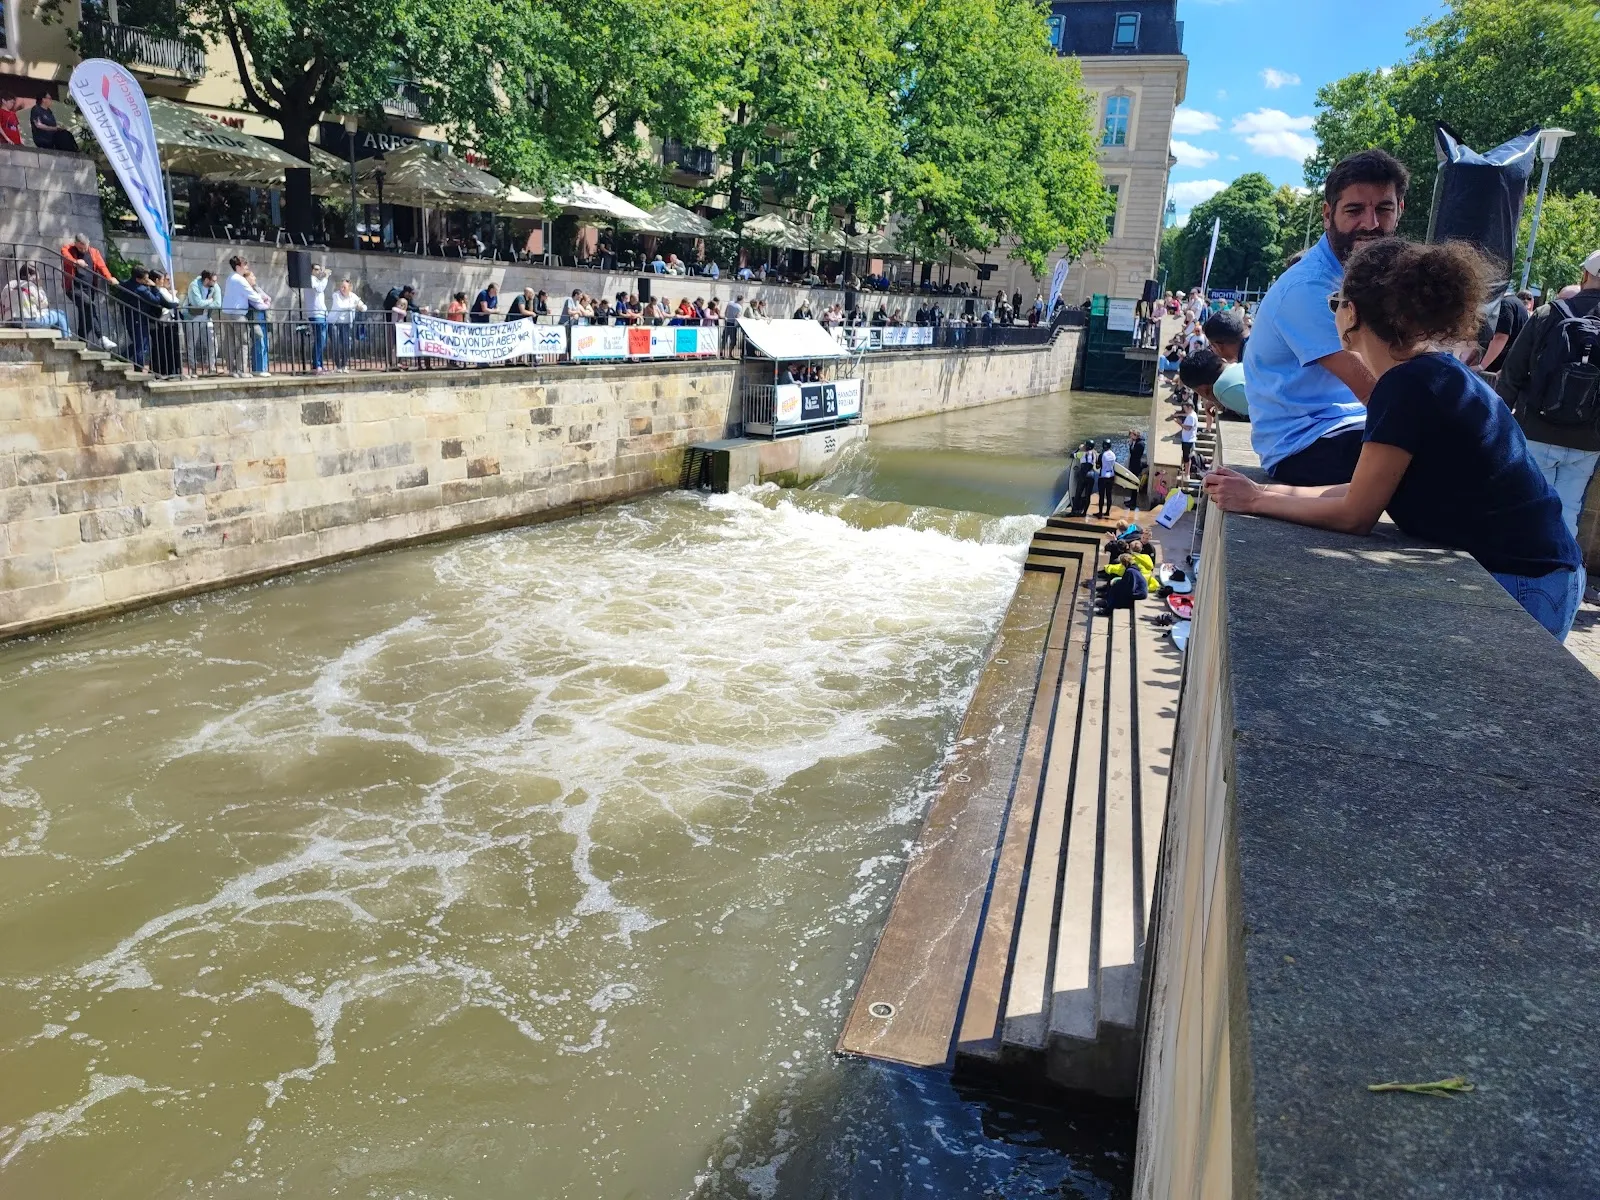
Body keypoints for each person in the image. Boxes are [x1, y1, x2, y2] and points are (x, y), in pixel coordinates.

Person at [1205, 238, 1584, 642]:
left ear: (1352, 313)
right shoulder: (1430, 373)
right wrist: (1261, 491)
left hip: (1522, 581)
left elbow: (1355, 516)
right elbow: (1362, 491)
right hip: (1545, 572)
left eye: (1335, 303)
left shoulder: (1403, 387)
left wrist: (1256, 502)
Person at [1244, 149, 1410, 485]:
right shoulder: (1310, 288)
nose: (1371, 224)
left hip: (1346, 424)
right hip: (1305, 444)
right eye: (1354, 210)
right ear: (1327, 214)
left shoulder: (1371, 276)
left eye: (1383, 209)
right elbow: (1373, 388)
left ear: (1400, 210)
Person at [1494, 248, 1600, 537]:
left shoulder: (1548, 314)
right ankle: (1559, 562)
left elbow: (1513, 372)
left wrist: (1499, 424)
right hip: (1588, 439)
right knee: (1568, 510)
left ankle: (1519, 561)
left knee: (1527, 505)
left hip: (1536, 428)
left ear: (1585, 275)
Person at [60, 234, 118, 350]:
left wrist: (109, 277)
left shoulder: (94, 252)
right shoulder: (67, 249)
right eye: (80, 248)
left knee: (85, 315)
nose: (83, 250)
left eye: (85, 248)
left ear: (88, 243)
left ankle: (82, 344)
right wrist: (76, 262)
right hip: (73, 287)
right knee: (90, 307)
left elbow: (102, 266)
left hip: (89, 288)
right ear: (75, 244)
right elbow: (66, 257)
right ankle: (101, 338)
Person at [0, 262, 72, 338]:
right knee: (60, 314)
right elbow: (44, 304)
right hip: (28, 320)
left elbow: (2, 304)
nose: (38, 278)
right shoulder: (30, 286)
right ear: (32, 276)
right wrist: (39, 287)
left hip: (10, 320)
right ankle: (66, 338)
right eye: (37, 276)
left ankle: (60, 337)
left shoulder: (9, 284)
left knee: (53, 314)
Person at [1481, 288, 1534, 373]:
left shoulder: (1505, 304)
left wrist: (1481, 366)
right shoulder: (1517, 306)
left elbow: (1501, 337)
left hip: (1497, 365)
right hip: (1511, 365)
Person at [183, 269, 220, 371]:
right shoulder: (194, 285)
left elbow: (218, 304)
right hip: (192, 317)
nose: (215, 283)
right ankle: (192, 367)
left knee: (212, 341)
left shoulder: (215, 286)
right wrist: (210, 301)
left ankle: (211, 366)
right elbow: (197, 303)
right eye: (213, 280)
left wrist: (205, 303)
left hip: (206, 316)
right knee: (192, 342)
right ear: (207, 280)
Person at [148, 268, 182, 376]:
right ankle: (159, 371)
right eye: (164, 279)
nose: (166, 281)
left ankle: (167, 370)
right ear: (157, 280)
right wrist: (175, 299)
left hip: (165, 322)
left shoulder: (160, 290)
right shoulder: (156, 290)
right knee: (159, 348)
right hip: (159, 322)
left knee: (166, 348)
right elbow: (169, 303)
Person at [328, 278, 366, 370]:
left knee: (346, 344)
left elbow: (364, 307)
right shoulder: (336, 295)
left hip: (346, 324)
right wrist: (354, 306)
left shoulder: (353, 296)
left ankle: (344, 365)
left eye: (344, 287)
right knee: (336, 344)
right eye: (341, 287)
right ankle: (338, 365)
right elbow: (340, 306)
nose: (342, 289)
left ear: (350, 288)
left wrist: (361, 307)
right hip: (334, 323)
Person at [243, 269, 271, 376]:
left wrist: (264, 301)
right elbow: (257, 304)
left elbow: (268, 298)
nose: (254, 278)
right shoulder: (247, 290)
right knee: (259, 343)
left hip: (263, 319)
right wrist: (264, 302)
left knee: (265, 344)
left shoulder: (257, 288)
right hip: (255, 319)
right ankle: (258, 369)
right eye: (252, 276)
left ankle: (264, 368)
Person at [305, 263, 331, 372]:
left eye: (319, 269)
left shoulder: (316, 280)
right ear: (311, 270)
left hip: (321, 314)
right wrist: (326, 277)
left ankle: (319, 363)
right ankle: (316, 365)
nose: (318, 271)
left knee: (322, 340)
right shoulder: (311, 279)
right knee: (320, 340)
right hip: (316, 314)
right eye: (316, 269)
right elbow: (320, 289)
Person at [1169, 399, 1199, 474]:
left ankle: (1187, 474)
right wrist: (1177, 415)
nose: (1184, 410)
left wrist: (1179, 423)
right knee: (1186, 457)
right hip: (1189, 439)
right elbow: (1185, 414)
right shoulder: (1193, 413)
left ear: (1190, 407)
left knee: (1187, 458)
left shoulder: (1191, 417)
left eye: (1185, 408)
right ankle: (1185, 472)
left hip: (1188, 440)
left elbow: (1188, 428)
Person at [1097, 439, 1117, 517]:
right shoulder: (1113, 454)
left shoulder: (1102, 455)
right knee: (1109, 495)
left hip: (1103, 477)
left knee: (1101, 496)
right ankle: (1107, 512)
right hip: (1111, 476)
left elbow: (1097, 466)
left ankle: (1100, 513)